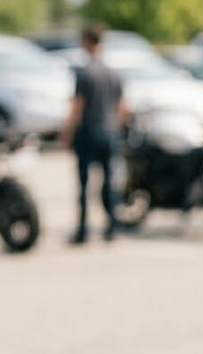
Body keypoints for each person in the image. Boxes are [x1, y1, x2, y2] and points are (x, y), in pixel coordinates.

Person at [59, 22, 127, 244]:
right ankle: (112, 227)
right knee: (109, 182)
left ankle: (83, 230)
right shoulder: (114, 73)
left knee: (84, 184)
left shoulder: (85, 73)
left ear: (86, 42)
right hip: (109, 131)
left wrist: (67, 131)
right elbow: (124, 107)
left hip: (88, 131)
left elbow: (77, 106)